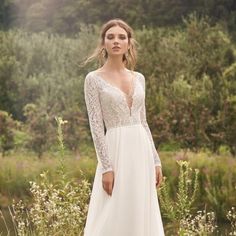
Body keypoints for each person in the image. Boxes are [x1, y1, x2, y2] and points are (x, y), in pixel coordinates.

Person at [83, 18, 165, 236]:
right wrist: (106, 167)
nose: (116, 41)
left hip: (141, 150)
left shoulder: (139, 78)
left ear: (129, 43)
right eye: (110, 37)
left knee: (139, 206)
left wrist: (156, 160)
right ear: (103, 43)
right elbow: (96, 126)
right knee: (112, 210)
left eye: (122, 37)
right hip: (115, 149)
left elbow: (143, 121)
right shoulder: (93, 79)